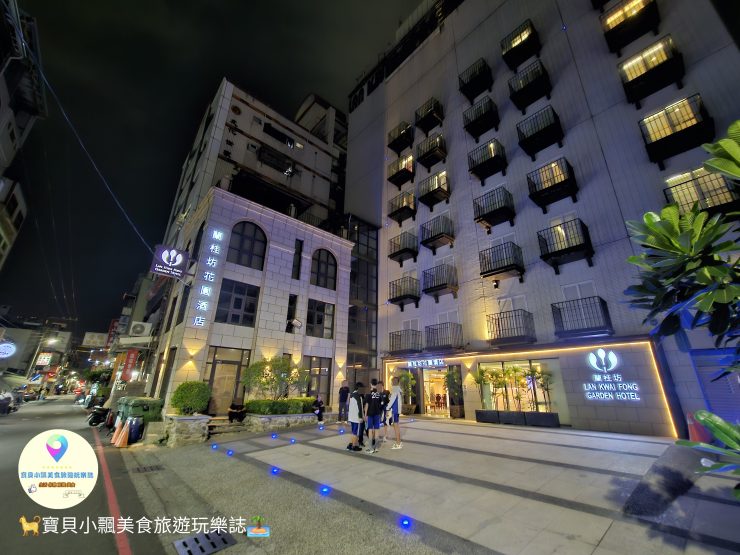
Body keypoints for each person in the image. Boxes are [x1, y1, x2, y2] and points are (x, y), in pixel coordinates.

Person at [363, 378, 383, 453]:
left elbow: (367, 405)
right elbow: (381, 404)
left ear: (371, 384)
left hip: (370, 414)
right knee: (377, 430)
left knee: (370, 430)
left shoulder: (368, 393)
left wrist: (365, 415)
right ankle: (376, 447)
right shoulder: (379, 393)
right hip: (377, 414)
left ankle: (371, 448)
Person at [346, 382, 364, 452]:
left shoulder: (352, 394)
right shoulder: (358, 396)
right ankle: (354, 446)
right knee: (355, 432)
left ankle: (350, 445)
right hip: (356, 417)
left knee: (353, 431)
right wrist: (361, 417)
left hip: (351, 416)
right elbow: (360, 407)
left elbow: (348, 405)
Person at [386, 376, 403, 449]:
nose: (392, 382)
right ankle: (399, 442)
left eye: (393, 381)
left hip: (395, 410)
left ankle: (398, 443)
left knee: (396, 427)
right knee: (397, 426)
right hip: (397, 410)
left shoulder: (395, 389)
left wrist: (387, 408)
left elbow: (392, 400)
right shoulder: (398, 389)